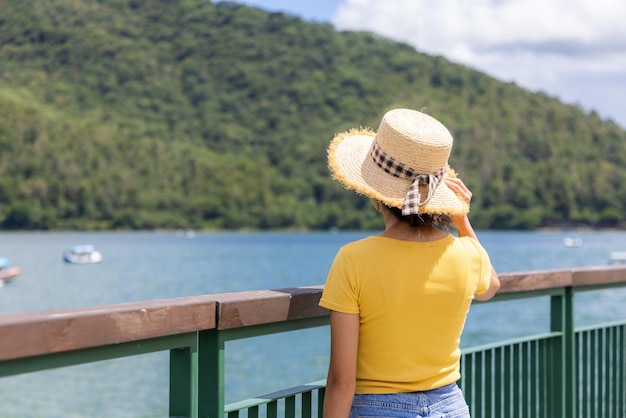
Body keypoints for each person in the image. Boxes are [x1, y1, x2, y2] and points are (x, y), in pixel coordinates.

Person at [319, 108, 500, 418]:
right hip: (451, 407)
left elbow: (341, 382)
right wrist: (462, 220)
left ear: (376, 193)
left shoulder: (354, 259)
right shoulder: (467, 253)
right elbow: (490, 287)